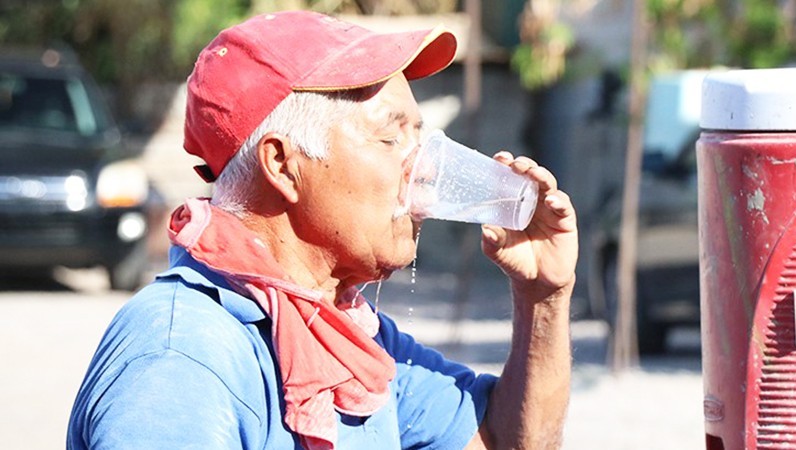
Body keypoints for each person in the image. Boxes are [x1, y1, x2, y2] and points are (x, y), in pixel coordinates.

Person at [68, 10, 577, 450]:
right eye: (389, 138)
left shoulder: (342, 333)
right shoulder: (182, 355)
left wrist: (543, 297)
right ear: (283, 165)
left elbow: (503, 440)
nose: (422, 169)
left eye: (418, 139)